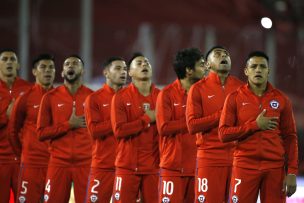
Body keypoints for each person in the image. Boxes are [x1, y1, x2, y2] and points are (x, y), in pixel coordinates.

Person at [218, 51, 298, 203]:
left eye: (262, 66)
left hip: (274, 168)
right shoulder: (234, 98)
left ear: (269, 71)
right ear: (246, 71)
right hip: (244, 166)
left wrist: (292, 172)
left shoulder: (282, 99)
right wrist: (255, 125)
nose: (258, 70)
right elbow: (223, 134)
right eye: (253, 66)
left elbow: (290, 137)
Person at [186, 46, 243, 203]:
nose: (223, 56)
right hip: (210, 159)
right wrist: (221, 115)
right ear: (207, 65)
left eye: (226, 54)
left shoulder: (241, 88)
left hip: (238, 159)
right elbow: (192, 126)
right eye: (217, 54)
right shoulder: (197, 89)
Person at [37, 55, 93, 203]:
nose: (71, 66)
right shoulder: (50, 97)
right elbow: (41, 133)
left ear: (83, 71)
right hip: (58, 163)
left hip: (86, 163)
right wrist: (69, 125)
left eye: (75, 63)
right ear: (62, 72)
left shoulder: (92, 98)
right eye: (67, 64)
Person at [156, 48, 206, 203]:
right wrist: (193, 122)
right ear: (189, 70)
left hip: (199, 168)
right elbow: (163, 128)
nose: (206, 68)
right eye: (201, 65)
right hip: (173, 168)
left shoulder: (205, 93)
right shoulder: (166, 94)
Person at [111, 53, 160, 203]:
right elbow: (119, 131)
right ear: (130, 73)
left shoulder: (162, 96)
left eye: (147, 63)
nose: (144, 65)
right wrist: (147, 119)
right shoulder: (120, 97)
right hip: (127, 167)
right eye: (139, 63)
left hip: (154, 168)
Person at [7, 54, 56, 203]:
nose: (47, 71)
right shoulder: (26, 98)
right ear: (34, 72)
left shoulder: (61, 97)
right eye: (43, 67)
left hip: (55, 164)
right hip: (31, 165)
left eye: (51, 68)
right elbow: (12, 131)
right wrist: (24, 153)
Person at [84, 57, 127, 203]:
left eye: (125, 69)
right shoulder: (94, 99)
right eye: (118, 68)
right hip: (103, 166)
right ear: (106, 73)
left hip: (127, 167)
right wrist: (119, 122)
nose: (123, 72)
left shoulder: (131, 98)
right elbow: (94, 130)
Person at [0, 49, 32, 202]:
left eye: (12, 59)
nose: (8, 62)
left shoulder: (28, 88)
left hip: (22, 160)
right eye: (5, 59)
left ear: (18, 65)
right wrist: (6, 117)